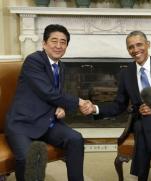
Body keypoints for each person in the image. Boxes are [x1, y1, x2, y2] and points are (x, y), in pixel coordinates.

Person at [82, 31, 151, 181]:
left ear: (148, 44)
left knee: (141, 125)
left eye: (139, 44)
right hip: (147, 123)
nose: (135, 49)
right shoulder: (126, 74)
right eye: (131, 47)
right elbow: (119, 105)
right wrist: (95, 108)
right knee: (143, 124)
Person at [5, 24, 91, 181]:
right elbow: (48, 92)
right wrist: (78, 102)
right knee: (27, 158)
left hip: (46, 122)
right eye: (54, 41)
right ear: (44, 44)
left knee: (76, 139)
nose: (58, 46)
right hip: (22, 123)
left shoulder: (61, 66)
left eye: (63, 42)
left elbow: (56, 95)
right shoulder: (34, 61)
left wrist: (61, 106)